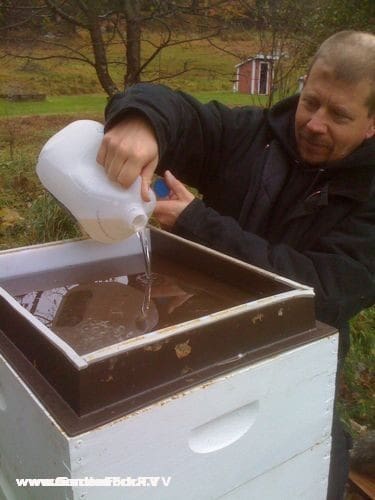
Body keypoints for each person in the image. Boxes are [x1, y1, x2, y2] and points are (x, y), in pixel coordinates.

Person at [97, 30, 375, 499]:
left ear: (372, 124)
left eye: (340, 115)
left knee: (309, 472)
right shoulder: (252, 134)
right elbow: (182, 114)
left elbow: (323, 292)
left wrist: (197, 223)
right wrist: (140, 120)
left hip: (301, 357)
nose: (313, 124)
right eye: (311, 102)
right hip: (205, 336)